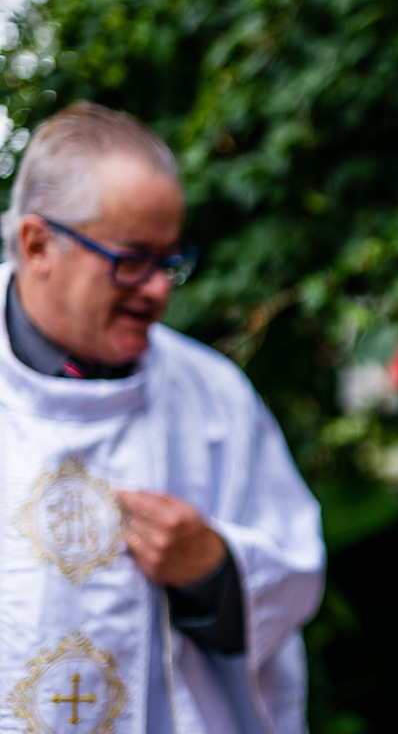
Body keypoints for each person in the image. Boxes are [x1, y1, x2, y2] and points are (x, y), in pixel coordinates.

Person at [0, 101, 325, 733]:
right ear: (38, 245)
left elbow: (293, 578)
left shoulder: (213, 396)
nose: (157, 290)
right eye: (131, 261)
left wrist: (214, 570)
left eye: (169, 263)